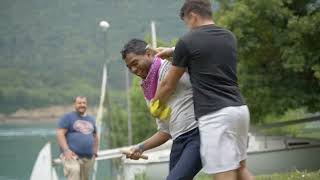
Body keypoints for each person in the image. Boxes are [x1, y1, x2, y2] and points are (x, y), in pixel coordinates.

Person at [153, 0, 255, 180]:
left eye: (186, 22)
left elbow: (169, 84)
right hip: (239, 110)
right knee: (240, 169)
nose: (188, 27)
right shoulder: (229, 36)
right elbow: (203, 49)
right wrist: (173, 51)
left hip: (215, 115)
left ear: (192, 16)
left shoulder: (187, 41)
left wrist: (156, 103)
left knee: (224, 172)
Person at [121, 39, 202, 180]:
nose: (133, 69)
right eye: (129, 67)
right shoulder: (147, 90)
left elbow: (196, 53)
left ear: (148, 53)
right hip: (178, 140)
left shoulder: (170, 64)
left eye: (135, 63)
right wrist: (140, 147)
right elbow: (165, 131)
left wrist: (170, 50)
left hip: (198, 133)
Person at [56, 96, 99, 180]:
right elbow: (60, 134)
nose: (82, 105)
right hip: (72, 156)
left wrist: (95, 151)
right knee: (74, 171)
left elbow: (95, 136)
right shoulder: (68, 117)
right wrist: (66, 150)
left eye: (84, 103)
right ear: (74, 104)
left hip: (88, 157)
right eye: (79, 103)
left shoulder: (91, 119)